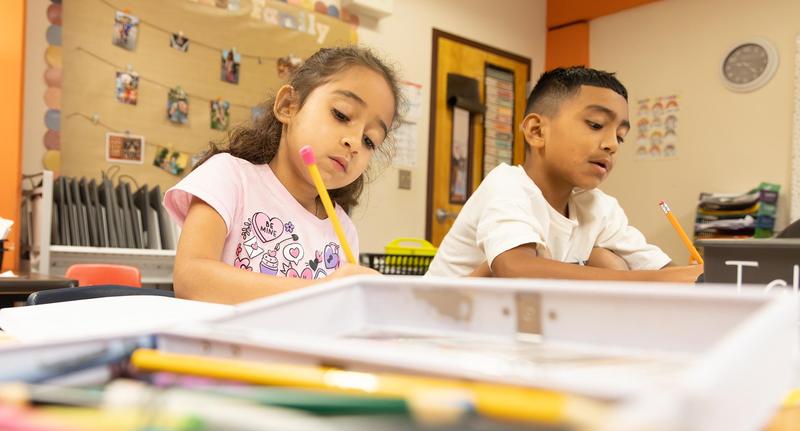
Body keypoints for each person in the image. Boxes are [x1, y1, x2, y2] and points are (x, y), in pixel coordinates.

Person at [164, 46, 400, 303]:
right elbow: (190, 279)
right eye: (341, 114)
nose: (354, 143)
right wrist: (321, 291)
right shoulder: (229, 177)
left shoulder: (343, 229)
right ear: (288, 106)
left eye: (369, 140)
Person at [426, 66, 702, 282]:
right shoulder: (507, 185)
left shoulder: (598, 206)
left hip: (499, 330)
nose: (611, 144)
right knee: (606, 264)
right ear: (536, 131)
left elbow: (658, 267)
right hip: (434, 329)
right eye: (596, 124)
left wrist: (685, 276)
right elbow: (516, 267)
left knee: (606, 258)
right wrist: (646, 281)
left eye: (621, 136)